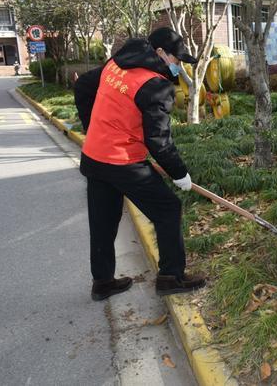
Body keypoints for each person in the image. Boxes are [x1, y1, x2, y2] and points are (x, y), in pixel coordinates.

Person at [74, 27, 206, 301]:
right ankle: (171, 276)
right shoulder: (155, 86)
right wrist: (180, 174)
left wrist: (94, 129)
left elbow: (83, 85)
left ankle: (103, 282)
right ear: (159, 53)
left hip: (94, 157)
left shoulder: (117, 64)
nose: (178, 66)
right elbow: (158, 140)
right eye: (176, 59)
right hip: (123, 162)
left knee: (103, 221)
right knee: (168, 209)